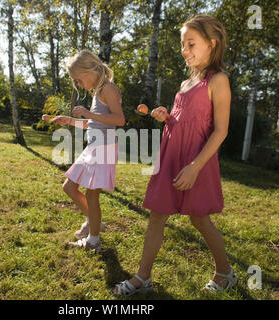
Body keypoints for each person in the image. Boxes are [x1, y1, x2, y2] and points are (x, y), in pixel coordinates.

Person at [112, 14, 236, 295]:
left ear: (212, 44)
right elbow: (184, 119)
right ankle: (143, 277)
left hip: (197, 161)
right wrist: (165, 117)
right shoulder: (186, 82)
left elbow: (220, 131)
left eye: (191, 43)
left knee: (199, 219)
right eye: (183, 44)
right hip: (171, 157)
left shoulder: (219, 81)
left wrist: (194, 167)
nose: (184, 50)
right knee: (157, 214)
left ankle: (225, 272)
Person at [51, 50, 125, 252]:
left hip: (104, 147)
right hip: (94, 147)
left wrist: (87, 113)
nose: (79, 84)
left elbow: (119, 119)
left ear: (91, 70)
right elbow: (93, 122)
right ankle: (93, 222)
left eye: (79, 79)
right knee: (69, 187)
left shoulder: (108, 89)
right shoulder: (98, 91)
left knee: (92, 196)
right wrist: (70, 120)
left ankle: (93, 241)